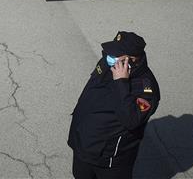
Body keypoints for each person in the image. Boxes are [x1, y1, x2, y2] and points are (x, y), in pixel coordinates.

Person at [68, 31, 160, 179]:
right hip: (82, 144)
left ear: (131, 60)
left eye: (116, 54)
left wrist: (121, 83)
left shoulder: (145, 89)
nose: (108, 56)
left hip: (108, 158)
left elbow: (131, 120)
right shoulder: (107, 62)